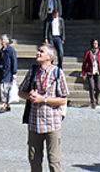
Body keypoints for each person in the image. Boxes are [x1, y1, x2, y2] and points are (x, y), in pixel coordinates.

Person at [19, 43, 69, 172]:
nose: (38, 53)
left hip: (52, 123)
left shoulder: (58, 73)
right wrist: (29, 96)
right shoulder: (33, 71)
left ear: (50, 56)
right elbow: (21, 92)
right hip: (34, 123)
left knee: (54, 162)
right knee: (34, 160)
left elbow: (63, 99)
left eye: (41, 51)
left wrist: (43, 99)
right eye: (38, 51)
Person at [0, 34, 18, 113]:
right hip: (1, 72)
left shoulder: (11, 50)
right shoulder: (1, 51)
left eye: (2, 40)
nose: (1, 41)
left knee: (4, 89)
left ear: (7, 41)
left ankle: (4, 105)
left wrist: (14, 72)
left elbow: (14, 61)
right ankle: (7, 104)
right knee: (4, 88)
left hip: (8, 72)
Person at [81, 38, 100, 108]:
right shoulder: (88, 52)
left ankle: (97, 96)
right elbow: (84, 63)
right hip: (90, 72)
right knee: (91, 87)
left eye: (96, 43)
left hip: (98, 71)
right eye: (94, 43)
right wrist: (83, 73)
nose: (95, 45)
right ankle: (92, 101)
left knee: (99, 87)